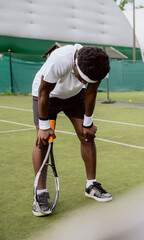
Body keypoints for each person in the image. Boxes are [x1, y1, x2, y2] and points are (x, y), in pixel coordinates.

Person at [31, 44, 112, 217]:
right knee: (43, 141)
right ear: (75, 64)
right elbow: (44, 91)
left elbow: (90, 93)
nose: (84, 83)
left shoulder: (99, 65)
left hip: (74, 97)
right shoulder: (59, 60)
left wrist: (88, 123)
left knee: (86, 136)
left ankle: (91, 185)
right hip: (47, 96)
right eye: (82, 79)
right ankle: (40, 193)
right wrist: (44, 126)